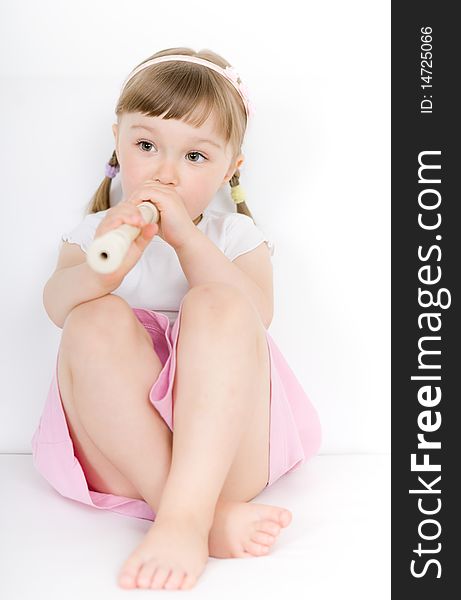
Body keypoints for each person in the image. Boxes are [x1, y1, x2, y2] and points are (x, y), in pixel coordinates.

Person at [31, 47, 322, 591]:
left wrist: (186, 238)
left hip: (226, 447)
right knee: (91, 320)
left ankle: (188, 513)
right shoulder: (95, 230)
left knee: (219, 303)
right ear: (118, 144)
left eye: (195, 156)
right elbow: (56, 307)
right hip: (121, 455)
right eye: (147, 146)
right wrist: (106, 269)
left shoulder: (235, 236)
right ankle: (197, 517)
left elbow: (257, 316)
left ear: (231, 167)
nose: (165, 172)